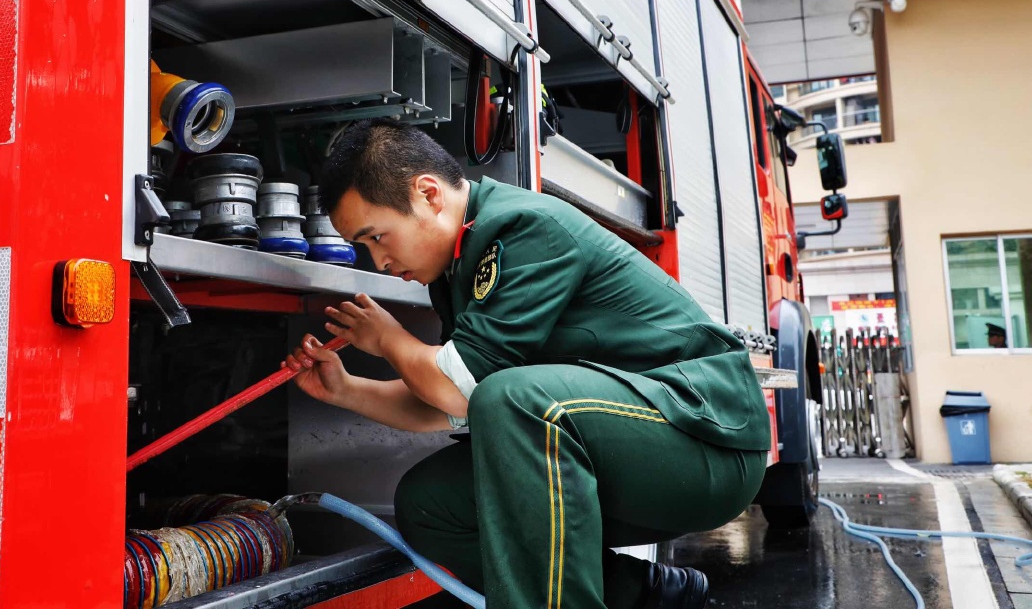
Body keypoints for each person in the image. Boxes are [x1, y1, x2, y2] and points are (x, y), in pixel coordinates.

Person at [283, 119, 770, 609]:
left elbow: (460, 388)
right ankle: (645, 595)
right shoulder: (457, 267)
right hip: (641, 446)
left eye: (376, 238)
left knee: (515, 399)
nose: (379, 262)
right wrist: (346, 389)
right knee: (430, 502)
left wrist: (389, 339)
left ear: (428, 194)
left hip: (707, 438)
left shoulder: (523, 228)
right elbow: (448, 405)